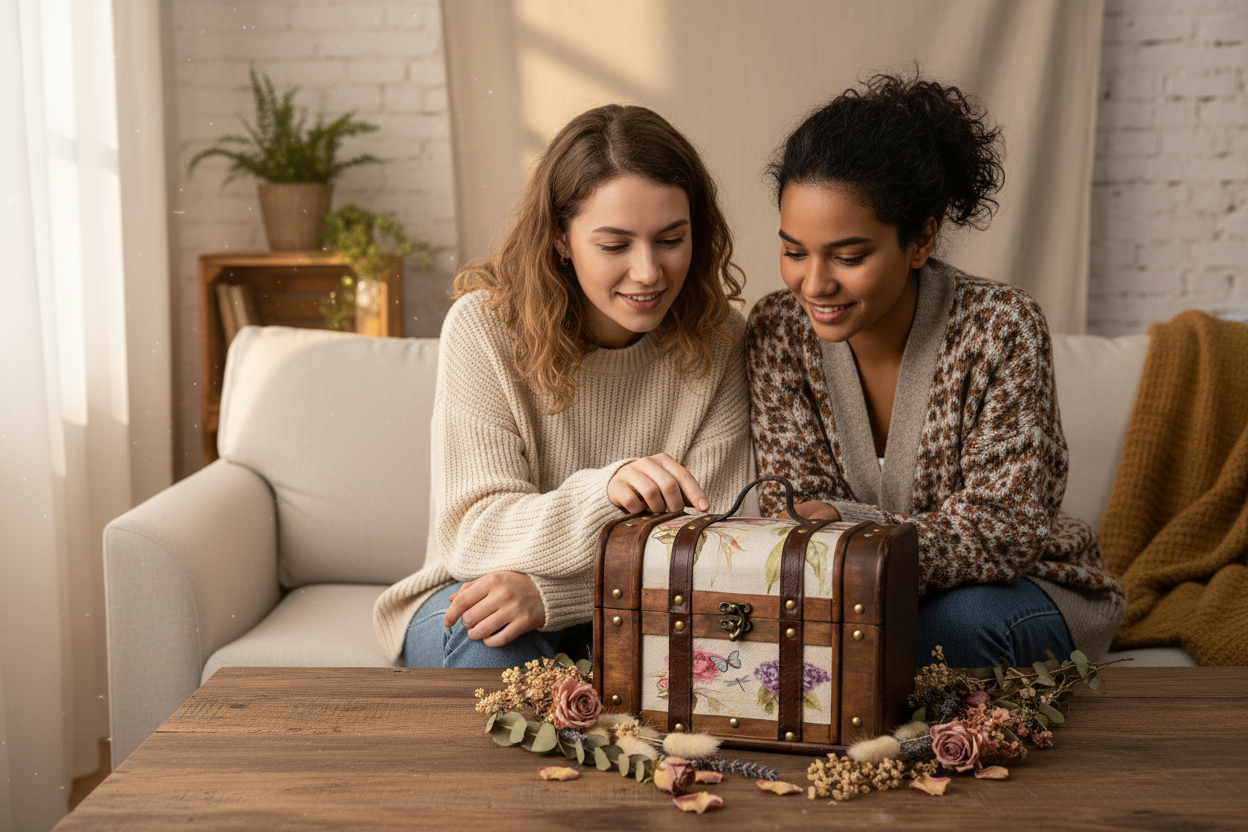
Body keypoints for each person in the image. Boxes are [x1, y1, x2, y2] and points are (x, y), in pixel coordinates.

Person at [746, 74, 1126, 667]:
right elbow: (792, 512)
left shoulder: (1001, 326)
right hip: (856, 600)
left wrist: (851, 524)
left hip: (1019, 586)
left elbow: (1003, 530)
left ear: (921, 240)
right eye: (794, 251)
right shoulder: (777, 332)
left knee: (946, 630)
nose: (813, 284)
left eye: (849, 256)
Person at [374, 104, 751, 668]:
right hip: (475, 591)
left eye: (671, 239)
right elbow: (475, 533)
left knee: (692, 650)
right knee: (496, 638)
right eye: (615, 245)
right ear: (560, 237)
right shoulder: (484, 328)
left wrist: (557, 597)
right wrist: (606, 494)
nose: (648, 271)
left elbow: (714, 545)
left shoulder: (720, 340)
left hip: (643, 608)